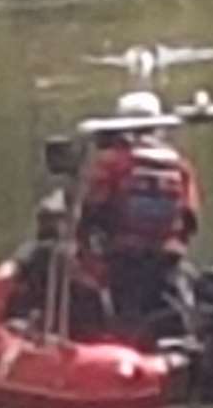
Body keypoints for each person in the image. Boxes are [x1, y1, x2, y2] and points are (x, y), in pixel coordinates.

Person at [79, 90, 202, 343]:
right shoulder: (179, 166)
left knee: (126, 313)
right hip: (167, 255)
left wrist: (89, 244)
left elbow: (93, 208)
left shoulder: (113, 163)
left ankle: (126, 355)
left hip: (123, 255)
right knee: (170, 305)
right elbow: (190, 217)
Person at [3, 190, 108, 337]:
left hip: (65, 322)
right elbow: (9, 271)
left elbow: (7, 273)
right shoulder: (37, 250)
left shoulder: (78, 251)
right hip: (44, 320)